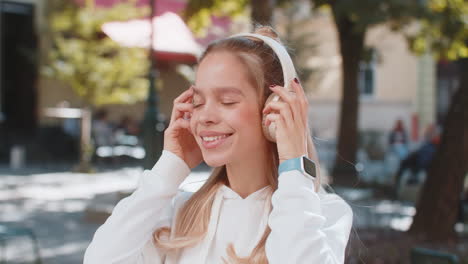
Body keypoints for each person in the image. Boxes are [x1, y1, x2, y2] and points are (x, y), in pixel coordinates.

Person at [84, 26, 353, 264]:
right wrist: (169, 167)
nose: (205, 116)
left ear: (274, 108)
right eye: (198, 102)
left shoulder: (324, 213)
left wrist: (295, 164)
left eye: (227, 101)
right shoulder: (178, 214)